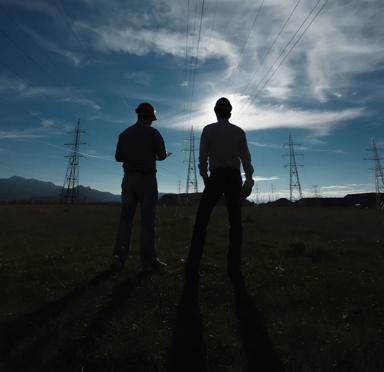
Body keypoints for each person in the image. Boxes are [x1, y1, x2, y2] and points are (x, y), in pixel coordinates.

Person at [187, 97, 254, 272]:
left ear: (216, 112)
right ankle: (234, 262)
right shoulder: (239, 132)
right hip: (233, 177)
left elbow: (202, 157)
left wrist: (204, 176)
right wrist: (249, 179)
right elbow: (246, 158)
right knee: (235, 220)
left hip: (216, 176)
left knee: (202, 217)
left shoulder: (208, 130)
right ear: (230, 112)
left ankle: (194, 258)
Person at [111, 102, 171, 273]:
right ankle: (148, 261)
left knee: (125, 221)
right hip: (147, 180)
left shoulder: (125, 134)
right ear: (151, 117)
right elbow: (161, 155)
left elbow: (118, 157)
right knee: (147, 222)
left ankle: (119, 259)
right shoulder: (153, 133)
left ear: (138, 115)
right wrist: (162, 155)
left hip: (128, 179)